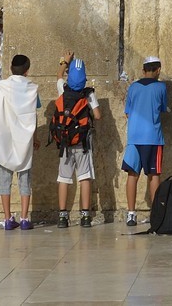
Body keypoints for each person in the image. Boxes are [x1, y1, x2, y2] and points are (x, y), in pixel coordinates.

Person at [0, 53, 42, 230]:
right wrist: (34, 138)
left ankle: (8, 218)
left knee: (4, 178)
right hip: (23, 138)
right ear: (27, 71)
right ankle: (24, 219)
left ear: (11, 69)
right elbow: (32, 114)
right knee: (25, 178)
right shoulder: (32, 89)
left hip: (3, 136)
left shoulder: (0, 87)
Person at [53, 52, 102, 228]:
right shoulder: (88, 94)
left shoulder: (62, 90)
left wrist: (65, 61)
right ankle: (86, 216)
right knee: (85, 178)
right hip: (83, 143)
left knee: (63, 178)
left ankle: (62, 216)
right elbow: (97, 116)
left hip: (65, 143)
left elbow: (58, 75)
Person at [122, 55, 170, 228]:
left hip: (134, 137)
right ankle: (156, 213)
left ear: (143, 70)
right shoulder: (161, 87)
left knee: (132, 175)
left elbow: (127, 111)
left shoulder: (133, 87)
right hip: (153, 137)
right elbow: (163, 108)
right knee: (154, 175)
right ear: (158, 70)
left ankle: (131, 214)